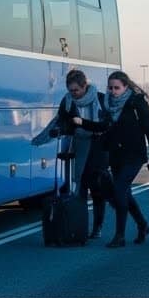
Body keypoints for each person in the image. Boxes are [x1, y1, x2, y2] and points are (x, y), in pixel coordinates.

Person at [71, 70, 149, 248]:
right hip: (115, 154)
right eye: (110, 88)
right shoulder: (108, 104)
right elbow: (104, 126)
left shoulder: (136, 102)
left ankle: (119, 236)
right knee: (124, 193)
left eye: (117, 88)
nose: (113, 91)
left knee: (119, 191)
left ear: (126, 87)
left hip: (134, 154)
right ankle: (143, 225)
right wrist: (83, 122)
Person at [31, 69, 110, 239]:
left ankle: (97, 227)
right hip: (79, 147)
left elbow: (107, 124)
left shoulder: (101, 99)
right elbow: (64, 121)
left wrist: (85, 124)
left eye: (76, 90)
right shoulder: (67, 102)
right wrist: (58, 131)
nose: (73, 93)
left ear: (84, 87)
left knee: (97, 189)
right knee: (80, 187)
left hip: (98, 149)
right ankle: (79, 226)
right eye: (70, 90)